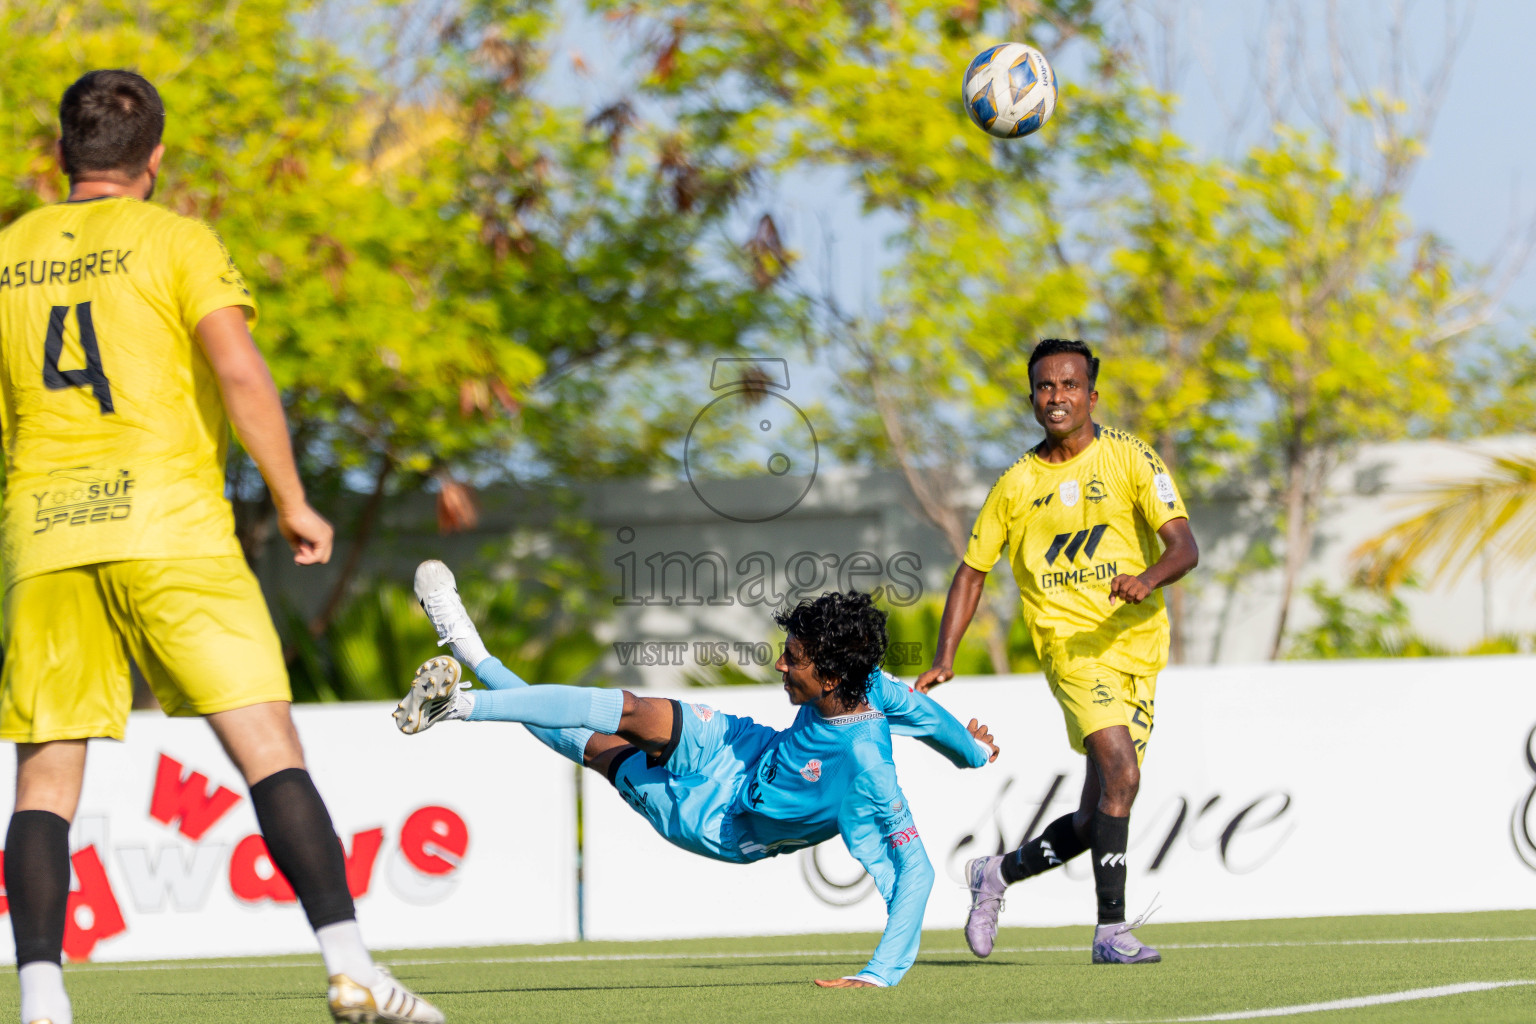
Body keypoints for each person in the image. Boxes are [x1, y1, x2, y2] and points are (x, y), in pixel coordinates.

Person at [0, 70, 441, 1024]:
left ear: (60, 156)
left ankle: (41, 1000)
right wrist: (293, 502)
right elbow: (239, 370)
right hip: (170, 528)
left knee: (45, 773)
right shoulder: (177, 240)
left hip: (43, 534)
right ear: (153, 159)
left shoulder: (7, 254)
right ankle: (351, 964)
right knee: (268, 750)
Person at [398, 560, 999, 987]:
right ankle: (461, 703)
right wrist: (972, 751)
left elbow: (915, 873)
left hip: (720, 821)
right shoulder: (876, 684)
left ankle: (473, 655)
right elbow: (935, 720)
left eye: (794, 658)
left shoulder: (870, 768)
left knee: (594, 746)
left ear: (832, 678)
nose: (780, 663)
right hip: (738, 748)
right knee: (630, 708)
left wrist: (878, 976)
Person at [916, 338, 1198, 966]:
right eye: (1045, 387)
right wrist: (945, 653)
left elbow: (1184, 547)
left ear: (1092, 395)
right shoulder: (1015, 484)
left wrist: (1147, 579)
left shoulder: (1131, 459)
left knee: (1101, 811)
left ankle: (995, 875)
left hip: (1139, 649)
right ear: (1033, 398)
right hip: (1071, 651)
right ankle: (1111, 933)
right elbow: (971, 571)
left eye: (1069, 385)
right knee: (1124, 775)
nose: (1057, 397)